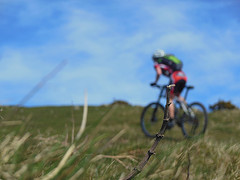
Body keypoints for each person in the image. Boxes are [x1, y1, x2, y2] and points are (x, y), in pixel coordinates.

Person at [150, 49, 187, 129]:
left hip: (175, 77)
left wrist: (155, 82)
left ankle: (172, 120)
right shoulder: (168, 62)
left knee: (169, 98)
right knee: (177, 95)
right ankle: (188, 111)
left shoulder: (158, 63)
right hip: (183, 76)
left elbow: (159, 73)